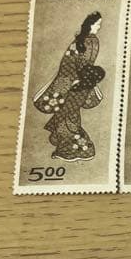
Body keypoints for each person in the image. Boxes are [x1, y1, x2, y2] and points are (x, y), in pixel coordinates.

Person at [34, 12, 103, 158]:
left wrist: (77, 80)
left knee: (68, 116)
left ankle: (74, 149)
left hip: (75, 83)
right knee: (68, 116)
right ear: (90, 25)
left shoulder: (85, 40)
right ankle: (70, 147)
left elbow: (80, 65)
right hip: (78, 84)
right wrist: (80, 80)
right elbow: (81, 64)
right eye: (97, 24)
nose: (99, 27)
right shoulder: (89, 41)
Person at [41, 63, 105, 160]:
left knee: (67, 133)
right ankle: (73, 150)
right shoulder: (89, 88)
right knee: (69, 132)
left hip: (65, 114)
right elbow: (91, 102)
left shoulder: (76, 83)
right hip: (71, 114)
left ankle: (66, 153)